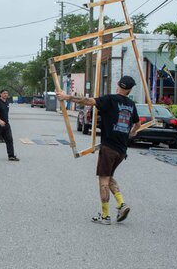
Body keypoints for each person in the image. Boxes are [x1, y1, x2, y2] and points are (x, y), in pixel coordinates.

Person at [56, 75, 142, 224]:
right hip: (122, 150)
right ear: (130, 89)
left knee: (103, 180)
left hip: (109, 148)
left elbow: (88, 101)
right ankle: (121, 204)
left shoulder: (110, 99)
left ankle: (105, 215)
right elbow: (138, 124)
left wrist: (66, 97)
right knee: (108, 177)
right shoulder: (131, 104)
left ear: (118, 85)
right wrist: (131, 133)